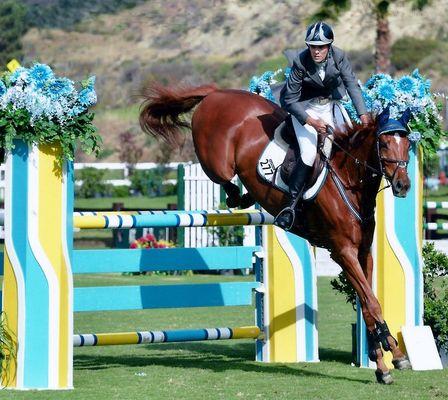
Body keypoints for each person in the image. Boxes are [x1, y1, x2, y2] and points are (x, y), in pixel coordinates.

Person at [275, 21, 370, 230]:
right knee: (309, 153)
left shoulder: (339, 56)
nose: (316, 51)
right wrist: (311, 122)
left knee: (350, 144)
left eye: (321, 47)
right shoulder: (301, 61)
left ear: (329, 46)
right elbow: (288, 100)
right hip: (304, 109)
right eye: (312, 46)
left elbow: (351, 84)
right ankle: (290, 206)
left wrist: (363, 116)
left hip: (330, 106)